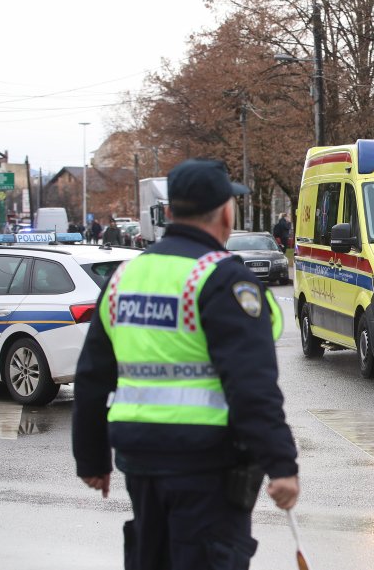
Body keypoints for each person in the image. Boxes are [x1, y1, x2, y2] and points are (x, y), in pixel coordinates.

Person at [72, 158, 299, 570]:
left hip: (138, 456)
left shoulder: (125, 276)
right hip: (206, 463)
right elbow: (251, 385)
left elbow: (91, 377)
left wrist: (92, 460)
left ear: (171, 212)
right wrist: (281, 464)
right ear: (226, 212)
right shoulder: (221, 278)